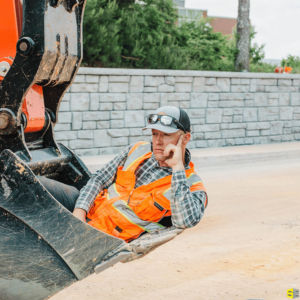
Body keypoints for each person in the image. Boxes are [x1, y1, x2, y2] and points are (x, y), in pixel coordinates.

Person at [39, 106, 208, 242]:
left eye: (166, 135)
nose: (157, 141)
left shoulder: (192, 184)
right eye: (154, 134)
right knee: (31, 183)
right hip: (87, 212)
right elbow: (99, 179)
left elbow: (186, 221)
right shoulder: (137, 150)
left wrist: (177, 167)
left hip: (104, 237)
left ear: (185, 139)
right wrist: (80, 211)